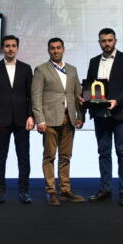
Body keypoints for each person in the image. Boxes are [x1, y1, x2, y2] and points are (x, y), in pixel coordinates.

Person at [84, 28, 123, 206]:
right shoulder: (93, 61)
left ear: (115, 41)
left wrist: (117, 100)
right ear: (99, 42)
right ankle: (105, 189)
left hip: (120, 113)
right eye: (103, 41)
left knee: (122, 151)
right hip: (100, 114)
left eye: (109, 40)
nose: (106, 43)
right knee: (103, 152)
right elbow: (90, 86)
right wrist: (85, 99)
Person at [31, 37, 84, 206]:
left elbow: (78, 95)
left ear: (63, 49)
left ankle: (65, 189)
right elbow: (36, 97)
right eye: (52, 48)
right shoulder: (41, 70)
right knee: (49, 156)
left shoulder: (72, 70)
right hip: (49, 120)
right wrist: (40, 120)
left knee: (66, 156)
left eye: (58, 47)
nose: (56, 51)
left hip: (69, 118)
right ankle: (51, 191)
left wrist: (80, 116)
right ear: (49, 50)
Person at [0, 35, 34, 204]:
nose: (11, 49)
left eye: (13, 46)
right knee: (0, 156)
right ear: (2, 48)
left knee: (24, 157)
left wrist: (31, 115)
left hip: (23, 120)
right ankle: (0, 190)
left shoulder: (26, 69)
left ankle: (24, 191)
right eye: (7, 46)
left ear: (17, 48)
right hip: (1, 120)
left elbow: (31, 95)